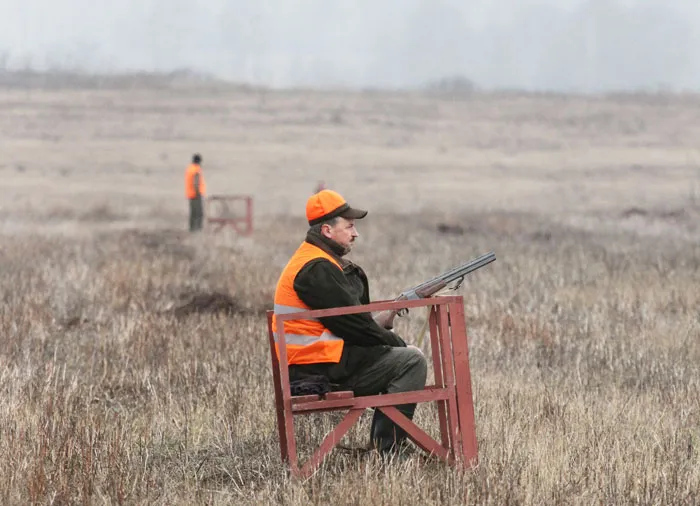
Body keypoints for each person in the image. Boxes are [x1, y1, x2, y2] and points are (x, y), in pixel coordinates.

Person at [272, 189, 427, 458]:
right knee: (412, 361)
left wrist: (379, 331)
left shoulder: (312, 261)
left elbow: (348, 321)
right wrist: (395, 343)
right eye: (350, 226)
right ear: (327, 231)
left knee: (402, 356)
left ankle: (385, 445)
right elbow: (355, 326)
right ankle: (389, 451)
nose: (355, 234)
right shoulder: (317, 267)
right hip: (319, 373)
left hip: (317, 365)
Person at [184, 153, 206, 231]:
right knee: (199, 213)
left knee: (193, 214)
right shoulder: (196, 169)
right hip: (196, 194)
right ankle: (198, 229)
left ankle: (192, 229)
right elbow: (196, 182)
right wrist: (198, 193)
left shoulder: (190, 168)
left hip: (190, 194)